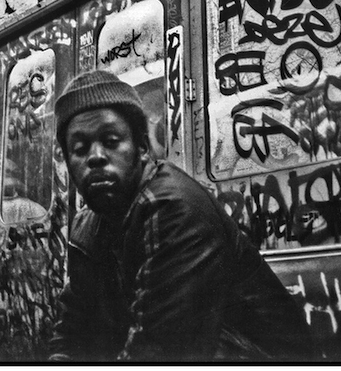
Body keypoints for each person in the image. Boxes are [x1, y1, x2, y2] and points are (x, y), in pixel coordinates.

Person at [49, 70, 313, 361]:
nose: (95, 156)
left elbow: (157, 349)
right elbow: (73, 331)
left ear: (141, 147)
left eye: (111, 141)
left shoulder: (175, 210)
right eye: (79, 148)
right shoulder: (87, 229)